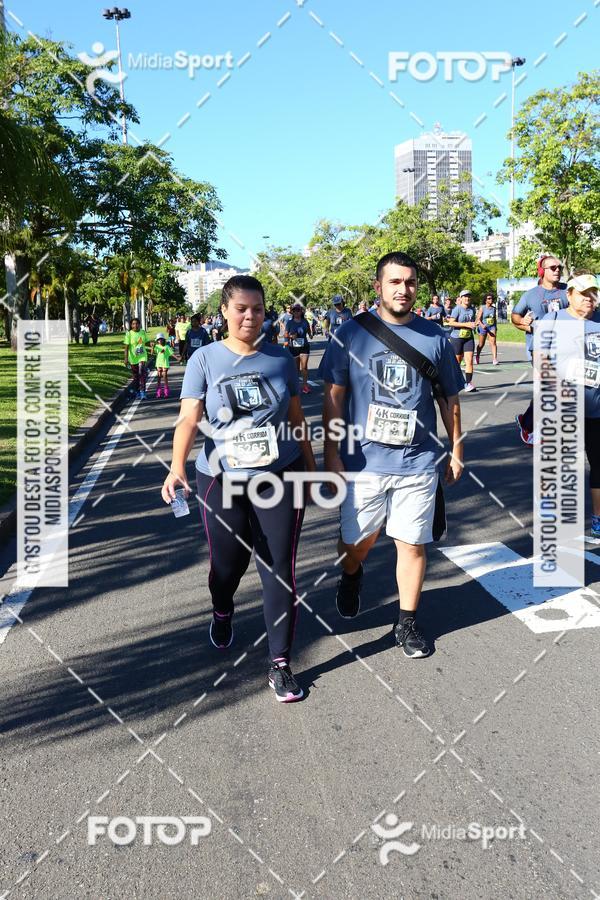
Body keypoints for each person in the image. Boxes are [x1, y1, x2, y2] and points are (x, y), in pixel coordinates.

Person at [161, 275, 317, 702]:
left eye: (258, 309)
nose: (250, 316)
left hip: (279, 475)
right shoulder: (205, 359)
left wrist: (310, 466)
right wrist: (176, 467)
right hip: (222, 479)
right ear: (225, 311)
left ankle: (280, 663)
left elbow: (296, 418)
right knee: (227, 566)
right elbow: (189, 418)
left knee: (279, 568)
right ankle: (222, 608)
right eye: (242, 309)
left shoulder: (281, 358)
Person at [321, 252, 464, 658]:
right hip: (362, 462)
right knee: (357, 544)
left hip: (418, 461)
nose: (404, 289)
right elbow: (334, 397)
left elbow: (448, 398)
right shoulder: (350, 334)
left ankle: (407, 622)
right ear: (378, 286)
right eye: (395, 282)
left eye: (410, 282)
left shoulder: (435, 337)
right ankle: (351, 574)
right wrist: (331, 453)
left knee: (412, 543)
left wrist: (456, 447)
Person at [541, 271, 600, 538]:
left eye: (593, 294)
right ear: (570, 295)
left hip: (596, 409)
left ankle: (598, 518)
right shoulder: (553, 320)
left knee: (598, 464)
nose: (589, 298)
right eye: (584, 294)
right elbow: (540, 361)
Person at [511, 254, 568, 444]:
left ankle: (526, 419)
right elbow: (514, 317)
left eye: (559, 267)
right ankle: (530, 429)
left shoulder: (568, 291)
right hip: (539, 348)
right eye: (553, 268)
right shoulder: (531, 295)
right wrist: (525, 323)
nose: (558, 270)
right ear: (542, 271)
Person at [447, 290, 478, 392]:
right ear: (461, 298)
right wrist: (466, 324)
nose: (467, 298)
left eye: (468, 296)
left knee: (469, 361)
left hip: (468, 337)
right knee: (457, 362)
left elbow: (472, 322)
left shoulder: (472, 309)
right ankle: (453, 381)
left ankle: (468, 383)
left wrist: (474, 325)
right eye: (465, 297)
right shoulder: (457, 309)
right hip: (457, 338)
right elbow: (451, 323)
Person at [284, 302, 312, 393]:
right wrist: (290, 337)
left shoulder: (305, 321)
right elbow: (285, 334)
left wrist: (311, 334)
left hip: (304, 346)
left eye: (298, 310)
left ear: (301, 311)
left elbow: (309, 331)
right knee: (296, 368)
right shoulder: (290, 323)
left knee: (304, 367)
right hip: (293, 347)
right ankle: (296, 386)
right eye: (294, 310)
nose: (296, 312)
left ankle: (305, 386)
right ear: (292, 312)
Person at [123, 317, 150, 399]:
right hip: (133, 358)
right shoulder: (129, 334)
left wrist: (151, 344)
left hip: (142, 356)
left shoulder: (143, 332)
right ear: (131, 325)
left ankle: (142, 392)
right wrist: (126, 358)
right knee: (136, 376)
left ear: (139, 324)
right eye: (133, 324)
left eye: (137, 323)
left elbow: (146, 342)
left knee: (141, 373)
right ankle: (137, 391)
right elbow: (126, 347)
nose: (135, 325)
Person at [475, 293, 499, 365]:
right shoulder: (482, 308)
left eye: (491, 298)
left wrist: (495, 327)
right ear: (485, 300)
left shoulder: (494, 309)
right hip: (483, 327)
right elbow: (478, 319)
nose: (491, 300)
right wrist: (482, 325)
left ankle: (495, 359)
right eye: (489, 298)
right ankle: (477, 356)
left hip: (492, 327)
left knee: (493, 342)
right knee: (481, 344)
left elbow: (494, 319)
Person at [152, 332, 175, 398]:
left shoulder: (167, 347)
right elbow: (152, 353)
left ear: (163, 340)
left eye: (161, 339)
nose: (160, 341)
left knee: (165, 377)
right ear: (157, 341)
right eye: (158, 340)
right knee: (159, 377)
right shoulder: (156, 346)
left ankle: (166, 392)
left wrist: (178, 358)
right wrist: (152, 347)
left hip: (165, 363)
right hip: (158, 364)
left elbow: (172, 354)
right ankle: (158, 392)